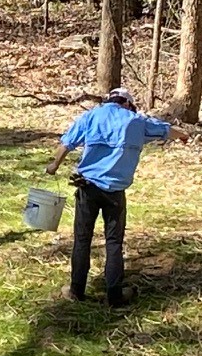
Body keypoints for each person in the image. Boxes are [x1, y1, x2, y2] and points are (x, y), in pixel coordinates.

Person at [46, 87, 172, 307]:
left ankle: (76, 290)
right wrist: (184, 135)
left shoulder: (92, 115)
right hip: (115, 192)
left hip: (87, 188)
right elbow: (165, 130)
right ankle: (114, 295)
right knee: (114, 242)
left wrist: (54, 165)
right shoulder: (136, 121)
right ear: (128, 104)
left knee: (82, 239)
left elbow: (67, 142)